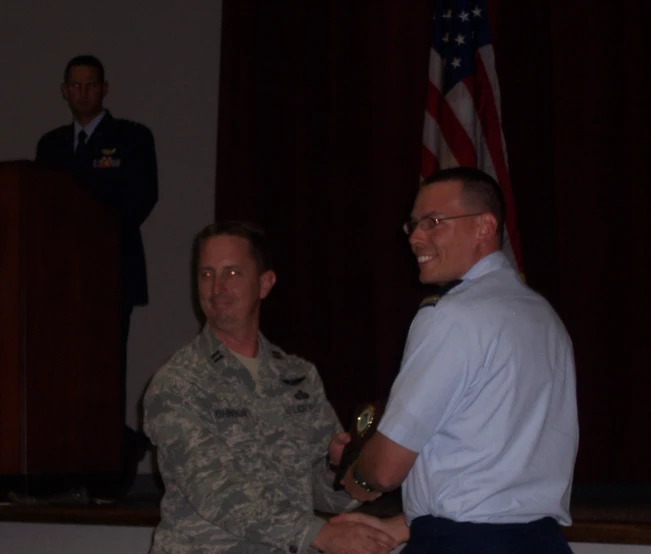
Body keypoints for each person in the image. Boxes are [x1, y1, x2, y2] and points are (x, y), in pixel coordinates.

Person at [342, 167, 579, 553]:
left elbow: (385, 469)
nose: (416, 237)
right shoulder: (545, 318)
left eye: (433, 222)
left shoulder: (451, 316)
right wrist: (405, 525)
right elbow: (492, 470)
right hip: (542, 542)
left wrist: (357, 470)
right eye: (413, 225)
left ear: (485, 227)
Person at [142, 221, 407, 553]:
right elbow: (215, 489)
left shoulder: (298, 377)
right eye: (206, 274)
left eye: (232, 273)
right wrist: (319, 534)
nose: (217, 288)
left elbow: (327, 496)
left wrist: (336, 467)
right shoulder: (177, 382)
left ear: (265, 283)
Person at [36, 54, 158, 498]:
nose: (83, 93)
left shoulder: (130, 138)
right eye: (75, 86)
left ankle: (106, 465)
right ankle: (64, 465)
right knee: (60, 372)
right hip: (59, 280)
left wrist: (90, 232)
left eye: (91, 86)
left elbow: (142, 197)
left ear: (104, 90)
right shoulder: (50, 145)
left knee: (106, 370)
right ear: (65, 90)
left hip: (109, 272)